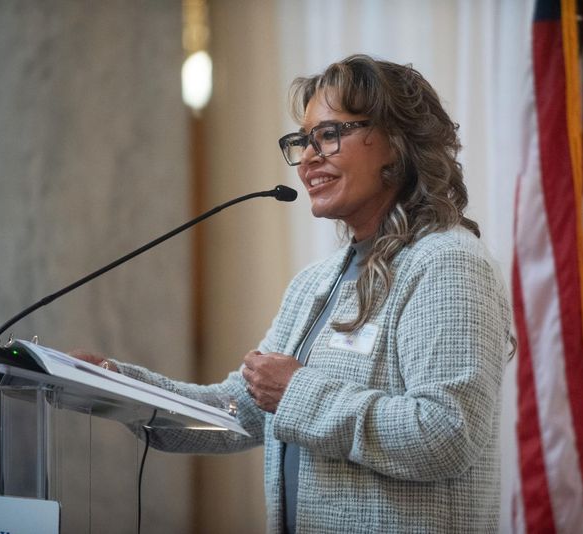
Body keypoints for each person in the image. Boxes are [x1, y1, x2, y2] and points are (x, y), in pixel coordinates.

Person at [74, 54, 512, 533]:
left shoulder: (445, 262)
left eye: (328, 134)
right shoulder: (315, 283)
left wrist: (298, 390)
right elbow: (241, 409)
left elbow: (446, 436)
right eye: (303, 141)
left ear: (396, 142)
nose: (307, 158)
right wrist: (118, 389)